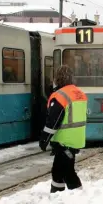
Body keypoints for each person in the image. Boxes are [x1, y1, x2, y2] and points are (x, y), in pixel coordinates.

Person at [39, 65, 88, 193]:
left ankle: (79, 197)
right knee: (58, 171)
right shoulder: (79, 93)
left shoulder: (60, 95)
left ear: (58, 78)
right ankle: (57, 196)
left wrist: (44, 139)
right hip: (77, 138)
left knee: (67, 172)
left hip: (64, 141)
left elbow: (53, 122)